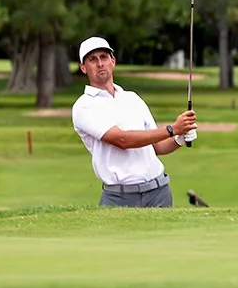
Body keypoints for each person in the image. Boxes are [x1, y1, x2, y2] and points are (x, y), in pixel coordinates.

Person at [71, 36, 198, 207]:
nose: (100, 63)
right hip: (119, 198)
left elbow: (158, 147)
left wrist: (180, 138)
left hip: (159, 192)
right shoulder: (84, 106)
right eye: (92, 60)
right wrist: (172, 129)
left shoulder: (132, 98)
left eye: (104, 57)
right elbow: (122, 140)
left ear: (113, 61)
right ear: (83, 68)